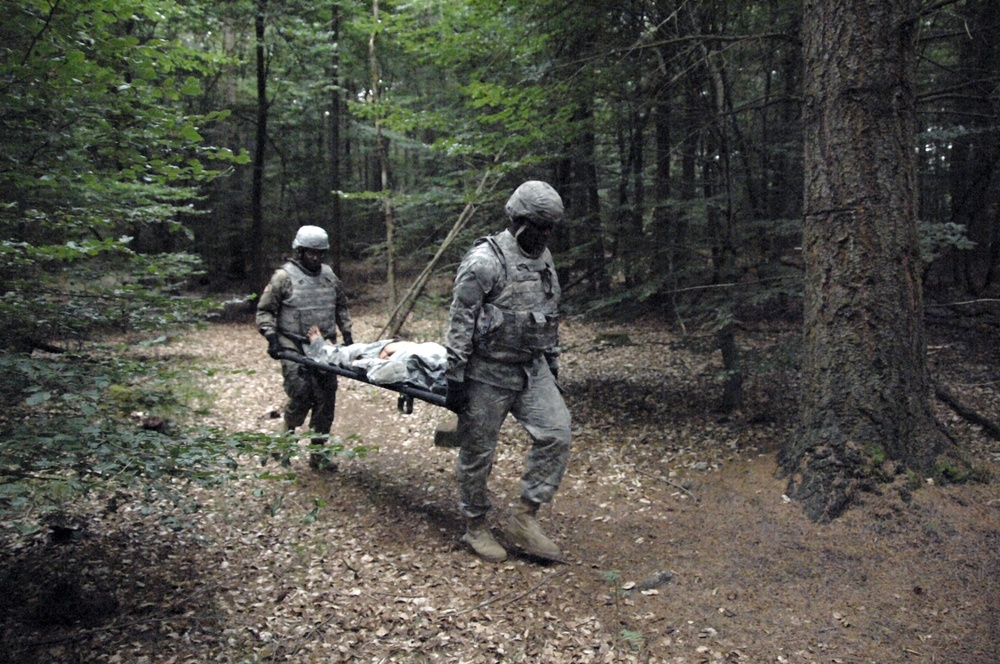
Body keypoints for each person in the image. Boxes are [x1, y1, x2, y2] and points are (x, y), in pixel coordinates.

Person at [444, 180, 572, 563]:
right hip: (487, 372)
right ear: (518, 222)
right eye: (540, 227)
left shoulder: (544, 258)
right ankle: (475, 525)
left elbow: (549, 313)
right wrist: (455, 378)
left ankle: (525, 516)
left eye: (551, 228)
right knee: (477, 452)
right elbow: (460, 321)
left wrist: (552, 362)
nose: (546, 235)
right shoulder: (485, 261)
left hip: (531, 369)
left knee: (557, 433)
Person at [256, 225, 354, 470]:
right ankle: (285, 443)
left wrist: (348, 332)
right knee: (301, 393)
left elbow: (341, 305)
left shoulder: (329, 276)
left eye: (320, 253)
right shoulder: (284, 277)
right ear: (299, 252)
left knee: (326, 398)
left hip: (324, 344)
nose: (316, 258)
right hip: (293, 342)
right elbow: (265, 310)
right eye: (311, 253)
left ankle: (318, 454)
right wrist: (272, 338)